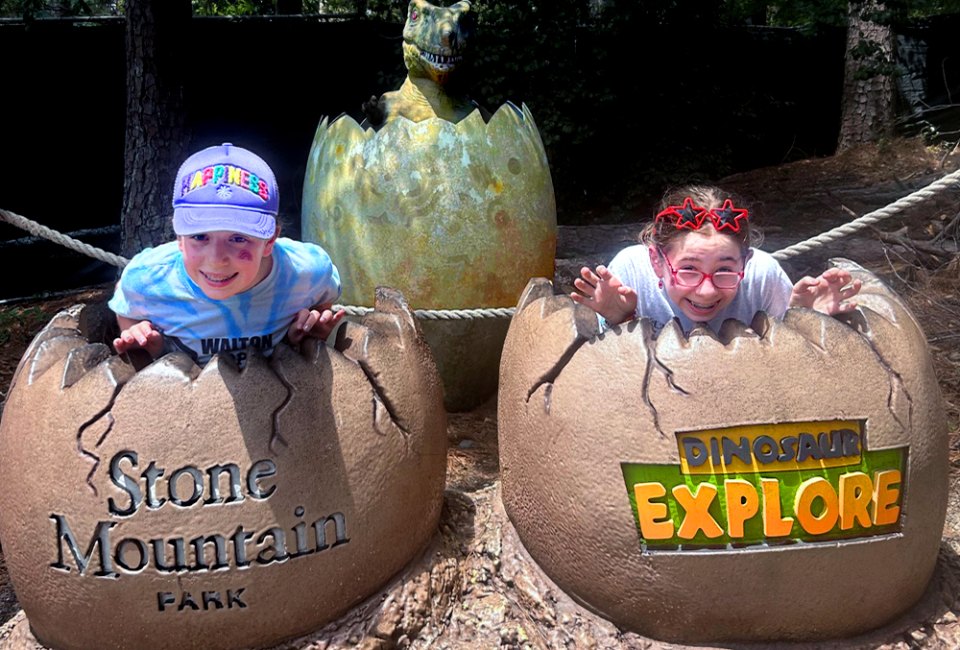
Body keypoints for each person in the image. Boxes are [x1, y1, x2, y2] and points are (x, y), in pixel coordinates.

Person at [109, 142, 345, 368]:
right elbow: (125, 301)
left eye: (239, 238)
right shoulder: (148, 278)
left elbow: (323, 297)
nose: (216, 259)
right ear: (179, 237)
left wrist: (311, 330)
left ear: (270, 240)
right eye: (200, 236)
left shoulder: (306, 271)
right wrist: (144, 340)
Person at [571, 185, 862, 333]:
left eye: (724, 270)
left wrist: (801, 316)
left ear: (745, 263)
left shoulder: (763, 276)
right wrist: (619, 318)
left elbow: (790, 367)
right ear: (657, 261)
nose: (706, 291)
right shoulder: (630, 272)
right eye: (688, 270)